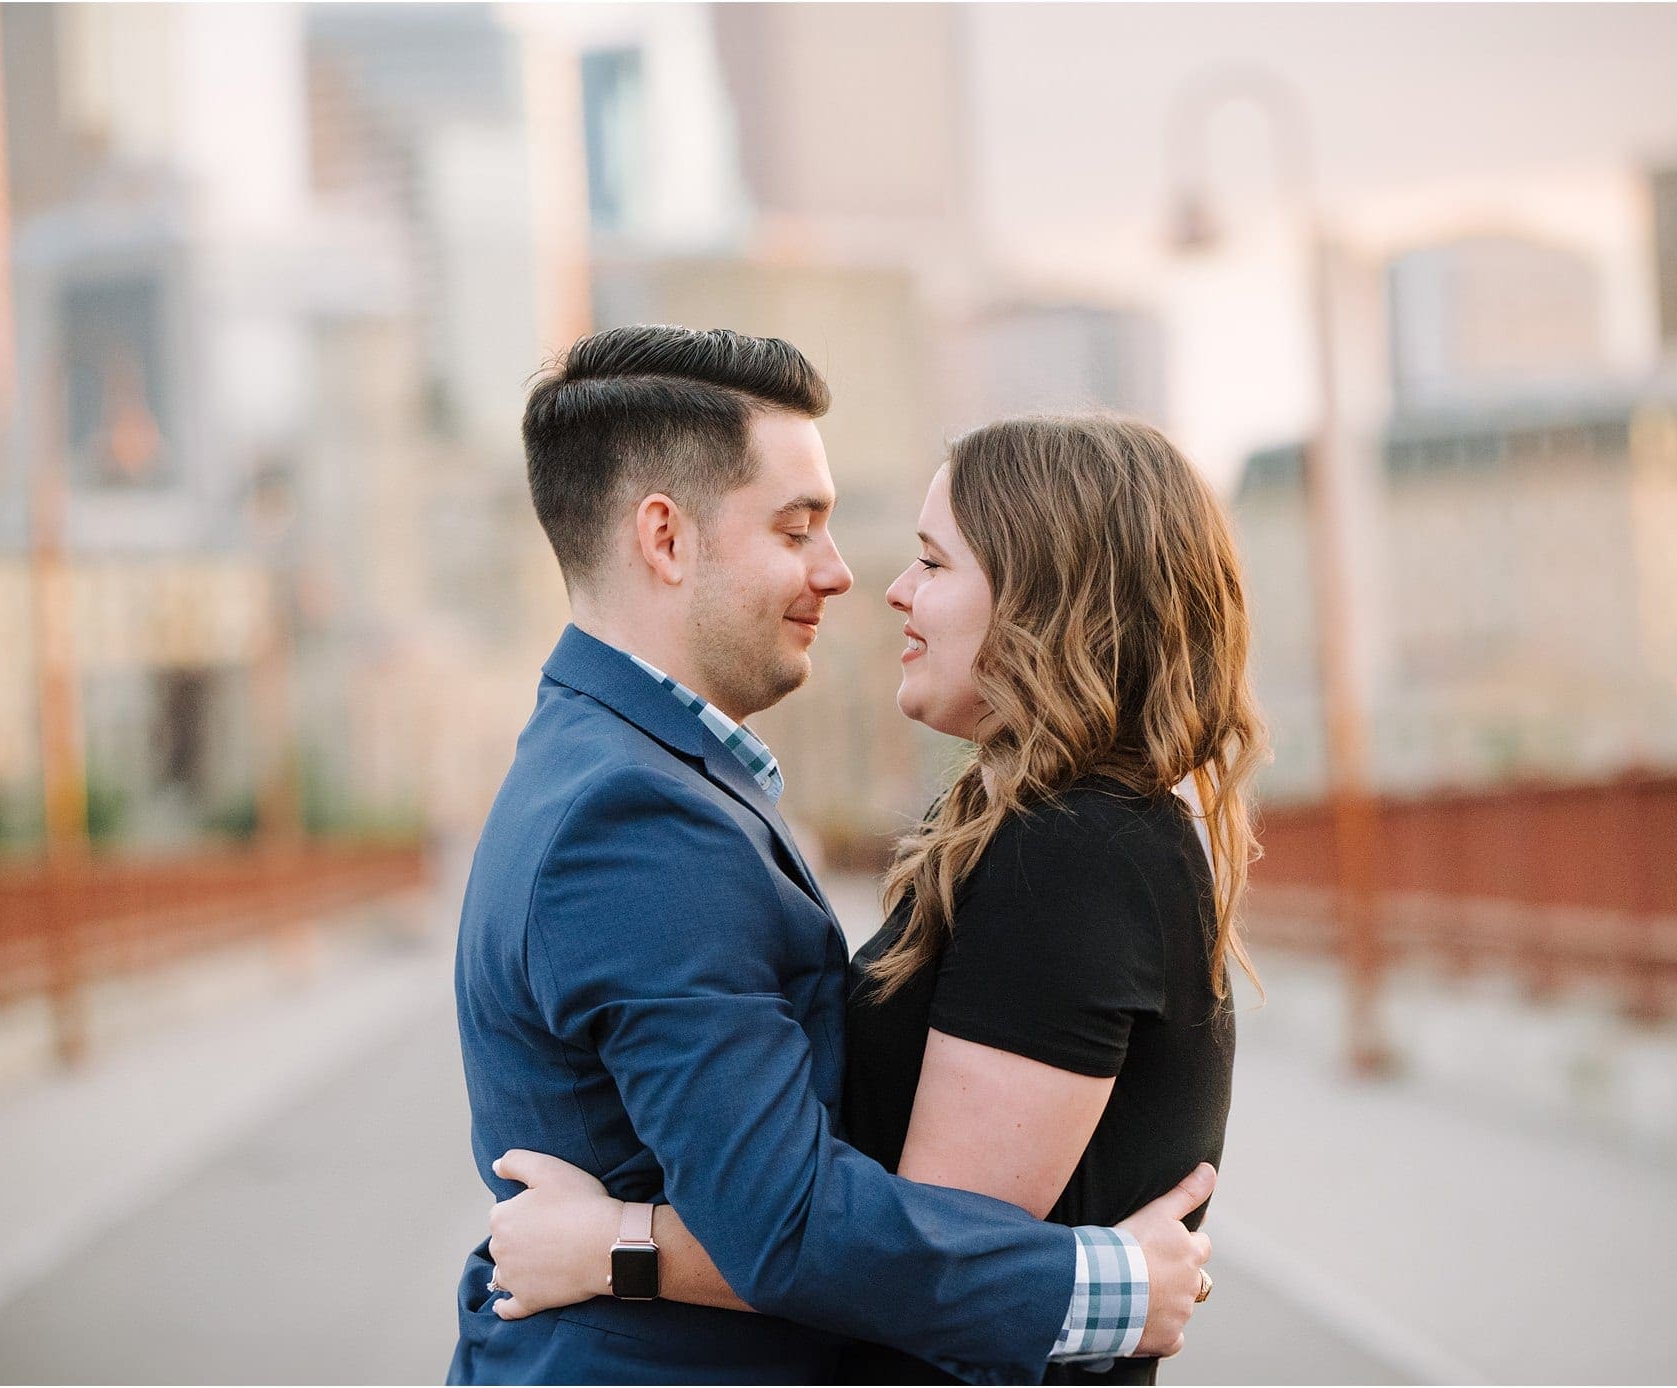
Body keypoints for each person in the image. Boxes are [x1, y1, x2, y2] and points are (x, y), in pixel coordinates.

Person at [447, 326, 1218, 1387]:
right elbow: (789, 1217)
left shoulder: (622, 768)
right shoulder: (630, 813)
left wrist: (618, 1241)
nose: (850, 576)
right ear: (665, 539)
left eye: (928, 559)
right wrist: (1110, 1287)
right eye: (798, 526)